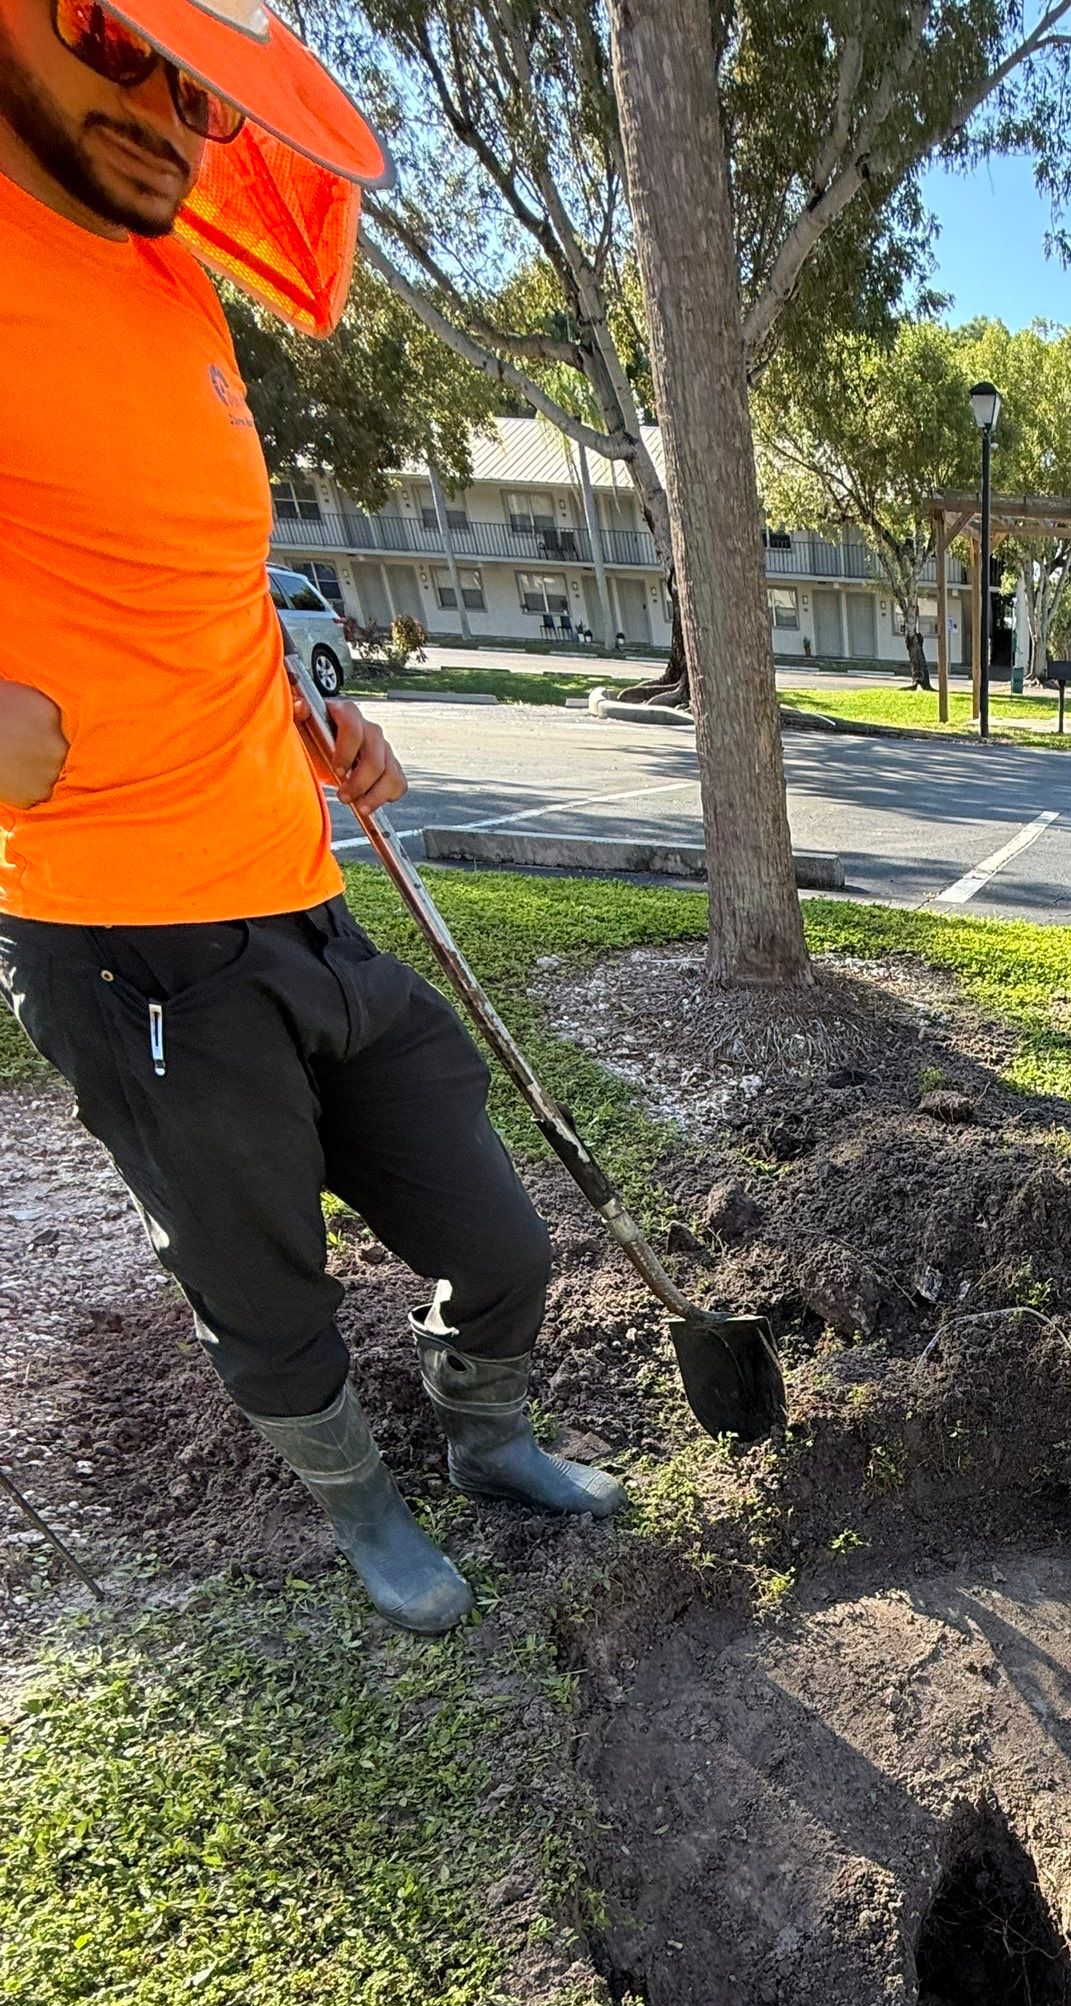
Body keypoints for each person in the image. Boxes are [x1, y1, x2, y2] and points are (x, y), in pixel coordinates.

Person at [0, 0, 622, 1635]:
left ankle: (485, 1438)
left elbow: (185, 595)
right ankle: (363, 1513)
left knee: (499, 1238)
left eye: (211, 95)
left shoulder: (170, 286)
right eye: (118, 41)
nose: (179, 118)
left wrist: (309, 708)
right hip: (134, 945)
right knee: (264, 1286)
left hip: (305, 893)